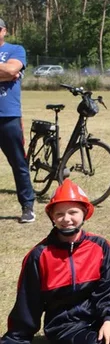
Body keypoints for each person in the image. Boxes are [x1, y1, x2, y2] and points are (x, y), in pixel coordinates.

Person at [0, 180, 110, 344]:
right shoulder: (39, 255)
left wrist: (109, 320)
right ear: (52, 217)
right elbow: (28, 302)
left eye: (73, 212)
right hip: (65, 325)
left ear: (84, 213)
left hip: (100, 314)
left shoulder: (101, 247)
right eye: (59, 214)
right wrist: (14, 342)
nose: (66, 219)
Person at [0, 17, 34, 223]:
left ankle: (28, 206)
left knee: (18, 163)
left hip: (9, 116)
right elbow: (8, 72)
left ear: (4, 30)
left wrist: (10, 72)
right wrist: (5, 73)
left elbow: (13, 70)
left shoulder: (16, 50)